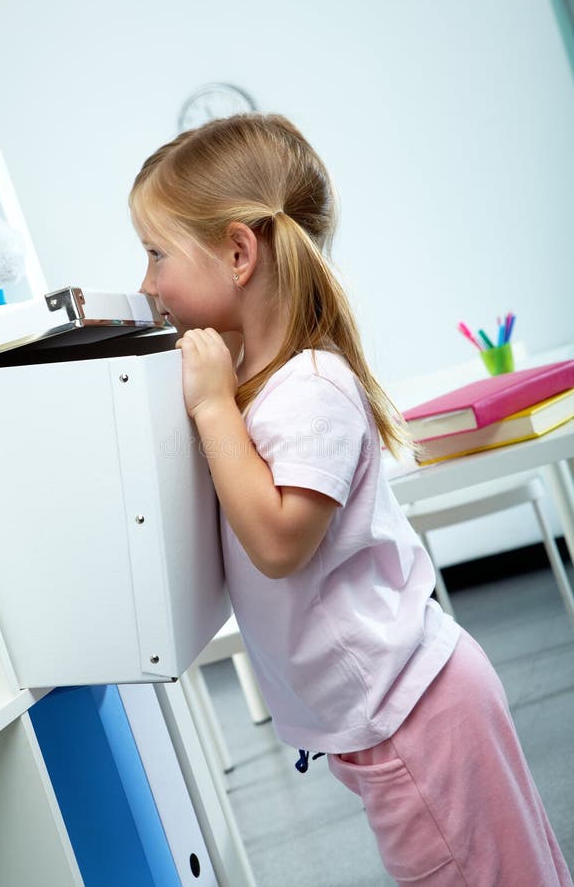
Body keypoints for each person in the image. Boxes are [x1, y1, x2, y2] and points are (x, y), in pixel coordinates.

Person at [129, 113, 572, 886]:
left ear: (238, 252)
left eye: (157, 253)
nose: (146, 284)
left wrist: (209, 408)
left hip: (416, 719)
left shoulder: (310, 388)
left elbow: (277, 541)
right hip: (399, 716)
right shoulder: (269, 390)